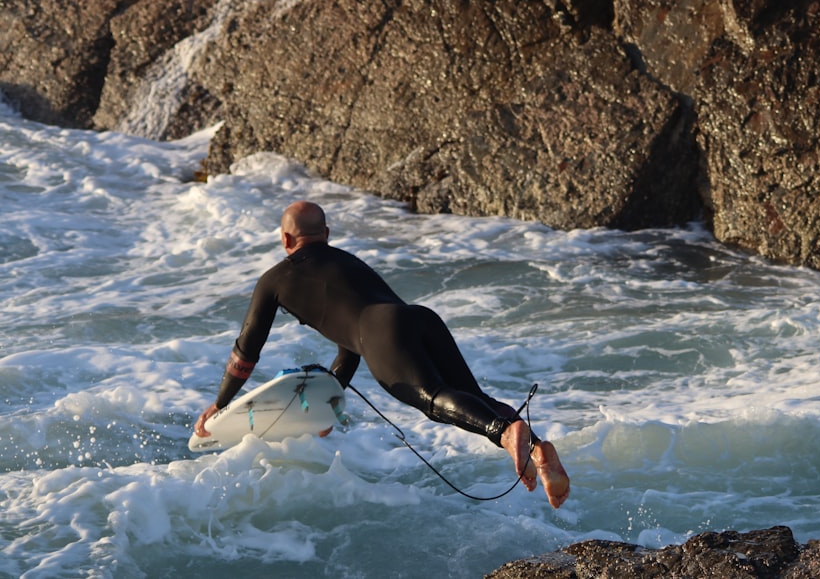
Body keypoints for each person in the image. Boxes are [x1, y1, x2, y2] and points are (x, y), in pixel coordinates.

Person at [194, 200, 570, 508]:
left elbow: (245, 352)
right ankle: (536, 449)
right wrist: (328, 399)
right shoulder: (348, 262)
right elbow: (351, 342)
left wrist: (220, 404)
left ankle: (506, 434)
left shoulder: (274, 280)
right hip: (419, 318)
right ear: (325, 235)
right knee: (474, 399)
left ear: (286, 238)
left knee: (434, 401)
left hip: (381, 331)